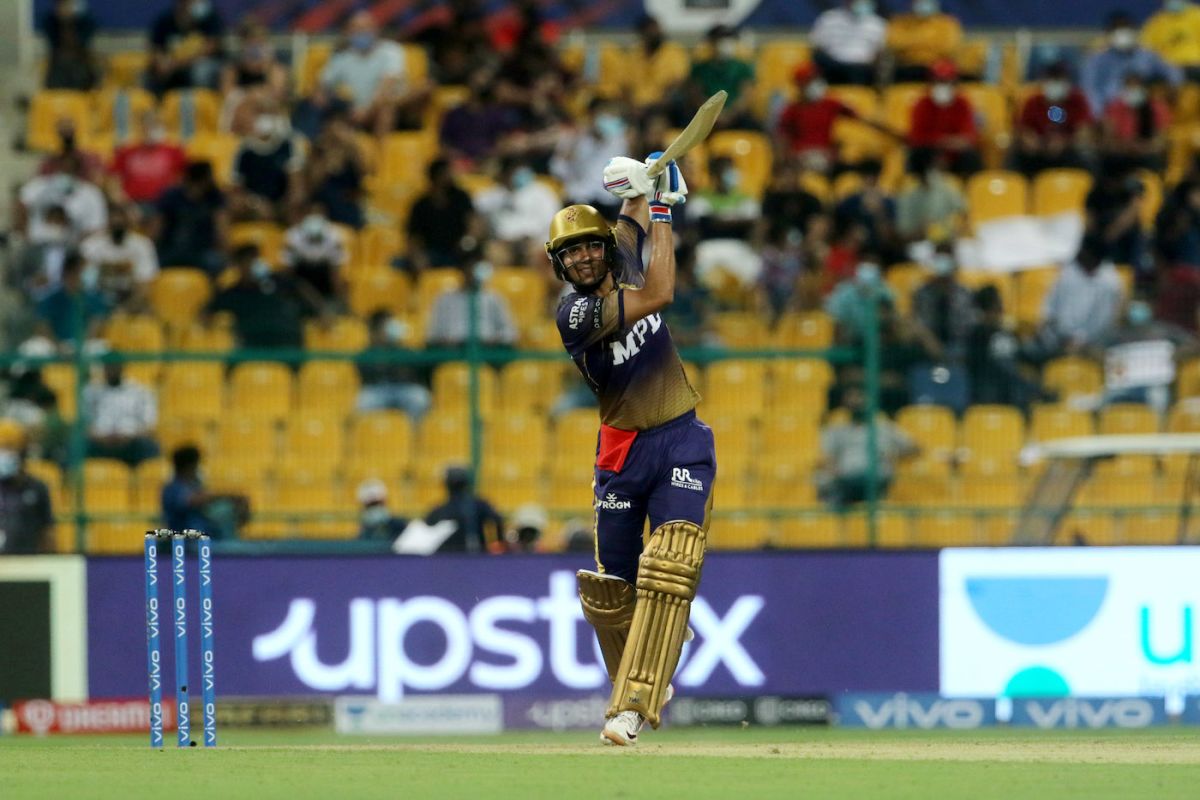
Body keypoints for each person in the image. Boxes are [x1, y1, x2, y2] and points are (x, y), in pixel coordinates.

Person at [549, 150, 713, 746]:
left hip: (680, 440)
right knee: (614, 592)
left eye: (592, 246)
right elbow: (662, 288)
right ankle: (653, 654)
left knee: (668, 563)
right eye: (572, 254)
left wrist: (642, 177)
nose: (586, 256)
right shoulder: (577, 314)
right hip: (620, 455)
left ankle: (632, 709)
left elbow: (631, 213)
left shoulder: (611, 251)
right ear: (561, 266)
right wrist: (663, 203)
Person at [318, 11, 429, 135]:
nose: (361, 33)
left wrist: (368, 109)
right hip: (362, 113)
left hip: (398, 105)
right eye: (356, 29)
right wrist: (340, 102)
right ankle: (379, 154)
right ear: (348, 32)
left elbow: (388, 84)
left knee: (425, 86)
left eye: (365, 28)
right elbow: (323, 84)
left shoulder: (391, 50)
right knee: (385, 110)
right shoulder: (342, 58)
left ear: (376, 30)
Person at [816, 383, 919, 508]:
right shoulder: (837, 430)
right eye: (851, 397)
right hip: (845, 478)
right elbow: (827, 457)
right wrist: (834, 469)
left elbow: (916, 448)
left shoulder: (885, 427)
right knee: (824, 481)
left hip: (877, 478)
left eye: (859, 397)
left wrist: (895, 455)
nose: (855, 401)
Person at [1034, 236, 1126, 359]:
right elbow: (1049, 306)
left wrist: (1080, 342)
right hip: (1056, 342)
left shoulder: (1110, 283)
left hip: (1091, 347)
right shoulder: (1067, 272)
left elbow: (1103, 324)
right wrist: (1046, 325)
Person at [205, 244, 310, 348]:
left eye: (256, 259)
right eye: (248, 261)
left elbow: (302, 289)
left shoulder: (277, 281)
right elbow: (207, 312)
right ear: (238, 266)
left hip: (285, 342)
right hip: (251, 345)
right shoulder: (232, 294)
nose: (253, 264)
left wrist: (322, 311)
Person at [1081, 11, 1181, 116]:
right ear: (1108, 34)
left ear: (1133, 31)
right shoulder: (1098, 60)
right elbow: (1089, 89)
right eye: (1117, 30)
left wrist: (1174, 86)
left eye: (1126, 29)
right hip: (1112, 109)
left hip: (1144, 107)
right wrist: (1099, 114)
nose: (1123, 34)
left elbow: (1172, 71)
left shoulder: (1147, 55)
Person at [965, 285, 1049, 409]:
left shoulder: (1005, 333)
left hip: (1013, 392)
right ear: (983, 312)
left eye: (1000, 308)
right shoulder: (977, 336)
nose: (1000, 313)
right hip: (989, 394)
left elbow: (1026, 355)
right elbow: (991, 367)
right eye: (997, 308)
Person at [1011, 62, 1095, 177]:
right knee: (1016, 154)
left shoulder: (1078, 101)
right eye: (1052, 80)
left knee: (1086, 155)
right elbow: (1023, 130)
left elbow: (1084, 131)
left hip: (1068, 151)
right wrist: (1031, 140)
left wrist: (1065, 142)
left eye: (1059, 80)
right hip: (1038, 151)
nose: (1055, 84)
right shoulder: (1033, 102)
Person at [473, 157, 561, 265]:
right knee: (492, 252)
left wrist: (532, 239)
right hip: (504, 244)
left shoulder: (542, 192)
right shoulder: (492, 195)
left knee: (540, 255)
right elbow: (476, 213)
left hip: (534, 243)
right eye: (514, 170)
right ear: (505, 173)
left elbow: (552, 223)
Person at [551, 98, 630, 217]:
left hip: (609, 201)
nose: (608, 120)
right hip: (582, 198)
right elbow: (558, 168)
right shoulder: (579, 139)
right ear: (594, 117)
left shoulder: (620, 140)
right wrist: (573, 144)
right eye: (605, 115)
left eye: (612, 116)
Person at [907, 60, 982, 177]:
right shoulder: (922, 104)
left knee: (971, 156)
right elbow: (916, 138)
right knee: (916, 154)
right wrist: (944, 143)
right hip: (929, 154)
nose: (942, 85)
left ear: (954, 83)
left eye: (946, 81)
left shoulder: (963, 104)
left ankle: (969, 188)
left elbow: (968, 139)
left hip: (955, 157)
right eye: (938, 81)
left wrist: (940, 142)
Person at [151, 160, 227, 274]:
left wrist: (224, 251)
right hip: (171, 250)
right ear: (204, 180)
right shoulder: (171, 196)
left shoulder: (214, 198)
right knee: (149, 266)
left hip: (201, 251)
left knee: (217, 263)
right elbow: (157, 227)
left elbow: (221, 229)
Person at [79, 204, 160, 309]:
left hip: (132, 302)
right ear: (107, 222)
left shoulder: (143, 245)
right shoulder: (90, 246)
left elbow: (145, 284)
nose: (117, 223)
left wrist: (125, 309)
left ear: (129, 222)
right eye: (114, 221)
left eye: (121, 221)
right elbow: (84, 283)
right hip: (97, 302)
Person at [230, 110, 305, 222]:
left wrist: (284, 206)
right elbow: (237, 190)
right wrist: (255, 204)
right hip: (253, 204)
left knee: (297, 208)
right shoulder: (245, 151)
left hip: (280, 205)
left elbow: (296, 186)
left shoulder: (287, 147)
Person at [424, 260, 518, 348]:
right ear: (461, 271)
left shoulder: (493, 298)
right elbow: (432, 335)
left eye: (473, 269)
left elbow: (510, 333)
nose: (470, 273)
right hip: (452, 351)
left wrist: (494, 340)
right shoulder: (445, 298)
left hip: (486, 349)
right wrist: (446, 341)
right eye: (467, 269)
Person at [356, 311, 433, 419]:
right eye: (386, 326)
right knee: (363, 403)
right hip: (378, 389)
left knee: (421, 399)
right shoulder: (368, 352)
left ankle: (412, 434)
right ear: (376, 330)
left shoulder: (402, 349)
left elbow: (416, 368)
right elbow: (365, 373)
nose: (390, 329)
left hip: (403, 387)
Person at [405, 159, 478, 271]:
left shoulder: (461, 198)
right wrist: (417, 255)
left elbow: (473, 224)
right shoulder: (421, 205)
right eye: (445, 173)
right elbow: (413, 236)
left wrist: (467, 242)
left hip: (458, 252)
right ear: (435, 177)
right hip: (431, 253)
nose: (450, 177)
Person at [162, 444, 247, 539]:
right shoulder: (173, 489)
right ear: (190, 466)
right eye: (198, 464)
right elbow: (194, 500)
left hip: (208, 537)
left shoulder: (195, 486)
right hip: (187, 542)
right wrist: (228, 495)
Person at [84, 361, 160, 466]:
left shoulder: (140, 391)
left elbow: (149, 425)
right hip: (100, 443)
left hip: (131, 443)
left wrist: (128, 436)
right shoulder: (91, 391)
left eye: (115, 367)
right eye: (108, 367)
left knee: (150, 447)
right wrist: (100, 437)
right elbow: (84, 424)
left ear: (122, 368)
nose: (111, 371)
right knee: (78, 446)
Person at [679, 25, 756, 128]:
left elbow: (745, 96)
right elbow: (696, 96)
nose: (725, 43)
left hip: (736, 118)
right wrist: (712, 116)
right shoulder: (700, 69)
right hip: (705, 118)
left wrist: (729, 115)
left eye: (728, 39)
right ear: (711, 42)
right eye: (720, 39)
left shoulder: (742, 68)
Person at [111, 111, 189, 208]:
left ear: (162, 127)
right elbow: (114, 177)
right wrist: (119, 196)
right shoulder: (127, 152)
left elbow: (184, 178)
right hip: (133, 203)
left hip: (164, 204)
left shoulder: (174, 151)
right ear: (141, 127)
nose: (149, 130)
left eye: (154, 125)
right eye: (147, 125)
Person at [1098, 72, 1170, 175]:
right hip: (1122, 153)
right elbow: (1108, 139)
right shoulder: (1115, 107)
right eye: (1129, 87)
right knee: (1110, 160)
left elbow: (1161, 140)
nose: (1132, 91)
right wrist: (1126, 147)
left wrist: (1143, 148)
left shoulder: (1156, 108)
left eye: (1136, 87)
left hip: (1147, 153)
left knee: (1154, 160)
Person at [35, 250, 110, 347]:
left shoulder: (93, 298)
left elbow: (96, 324)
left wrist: (81, 346)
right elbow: (42, 326)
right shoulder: (51, 298)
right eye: (81, 270)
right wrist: (58, 346)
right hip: (56, 346)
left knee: (101, 346)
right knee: (37, 346)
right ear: (69, 272)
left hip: (85, 345)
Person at [148, 0, 224, 95]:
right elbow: (156, 47)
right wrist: (161, 61)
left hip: (200, 62)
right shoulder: (165, 20)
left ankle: (201, 103)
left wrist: (177, 64)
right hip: (172, 64)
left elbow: (210, 47)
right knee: (152, 71)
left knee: (201, 71)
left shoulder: (208, 17)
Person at [0, 419, 54, 554]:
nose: (3, 455)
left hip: (28, 564)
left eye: (8, 448)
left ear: (22, 452)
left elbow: (47, 532)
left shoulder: (37, 488)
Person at [911, 247, 975, 361]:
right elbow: (916, 321)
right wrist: (929, 340)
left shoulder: (964, 293)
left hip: (959, 343)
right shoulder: (922, 293)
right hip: (927, 343)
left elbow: (969, 324)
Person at [424, 466, 503, 553]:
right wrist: (496, 542)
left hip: (447, 557)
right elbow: (497, 519)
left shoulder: (439, 509)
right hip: (476, 556)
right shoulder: (479, 504)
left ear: (446, 484)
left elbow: (426, 529)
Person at [894, 149, 966, 243]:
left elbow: (964, 211)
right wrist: (922, 231)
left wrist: (955, 230)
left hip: (948, 240)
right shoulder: (907, 194)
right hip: (921, 245)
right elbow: (903, 234)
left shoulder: (944, 187)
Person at [282, 209, 348, 309]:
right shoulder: (293, 238)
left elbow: (335, 273)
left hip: (324, 274)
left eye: (317, 239)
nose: (314, 244)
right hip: (301, 273)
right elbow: (288, 271)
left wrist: (343, 299)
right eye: (311, 239)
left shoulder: (334, 238)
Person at [810, 0, 887, 86]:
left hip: (863, 70)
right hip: (833, 68)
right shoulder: (828, 19)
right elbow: (817, 47)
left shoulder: (877, 24)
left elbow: (879, 53)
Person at [886, 0, 963, 82]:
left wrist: (911, 41)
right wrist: (928, 42)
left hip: (937, 68)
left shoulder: (948, 23)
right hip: (905, 67)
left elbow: (948, 48)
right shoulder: (899, 22)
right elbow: (893, 43)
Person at [41, 0, 99, 91]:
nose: (65, 9)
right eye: (61, 6)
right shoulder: (51, 23)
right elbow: (50, 33)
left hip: (80, 64)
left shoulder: (84, 23)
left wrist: (73, 20)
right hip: (58, 65)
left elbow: (88, 32)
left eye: (68, 5)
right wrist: (62, 21)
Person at [1142, 0, 1200, 80]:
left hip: (1195, 63)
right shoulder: (1157, 21)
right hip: (1170, 67)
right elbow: (1146, 46)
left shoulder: (1197, 14)